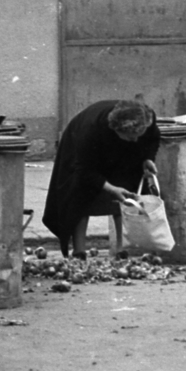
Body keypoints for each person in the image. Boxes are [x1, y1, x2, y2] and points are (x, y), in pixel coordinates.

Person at [42, 99, 161, 257]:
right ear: (116, 130)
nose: (136, 140)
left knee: (127, 194)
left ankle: (121, 248)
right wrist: (111, 188)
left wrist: (148, 159)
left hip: (119, 149)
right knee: (81, 195)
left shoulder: (147, 118)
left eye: (139, 135)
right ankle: (79, 252)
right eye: (131, 136)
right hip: (81, 148)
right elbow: (84, 170)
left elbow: (153, 138)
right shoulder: (90, 131)